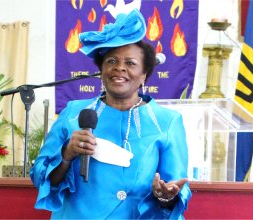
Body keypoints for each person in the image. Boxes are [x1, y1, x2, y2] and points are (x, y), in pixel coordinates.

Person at [30, 9, 191, 219]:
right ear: (101, 70)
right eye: (111, 61)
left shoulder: (167, 122)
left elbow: (176, 187)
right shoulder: (73, 113)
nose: (119, 68)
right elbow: (39, 177)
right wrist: (67, 153)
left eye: (130, 63)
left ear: (144, 74)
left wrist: (164, 196)